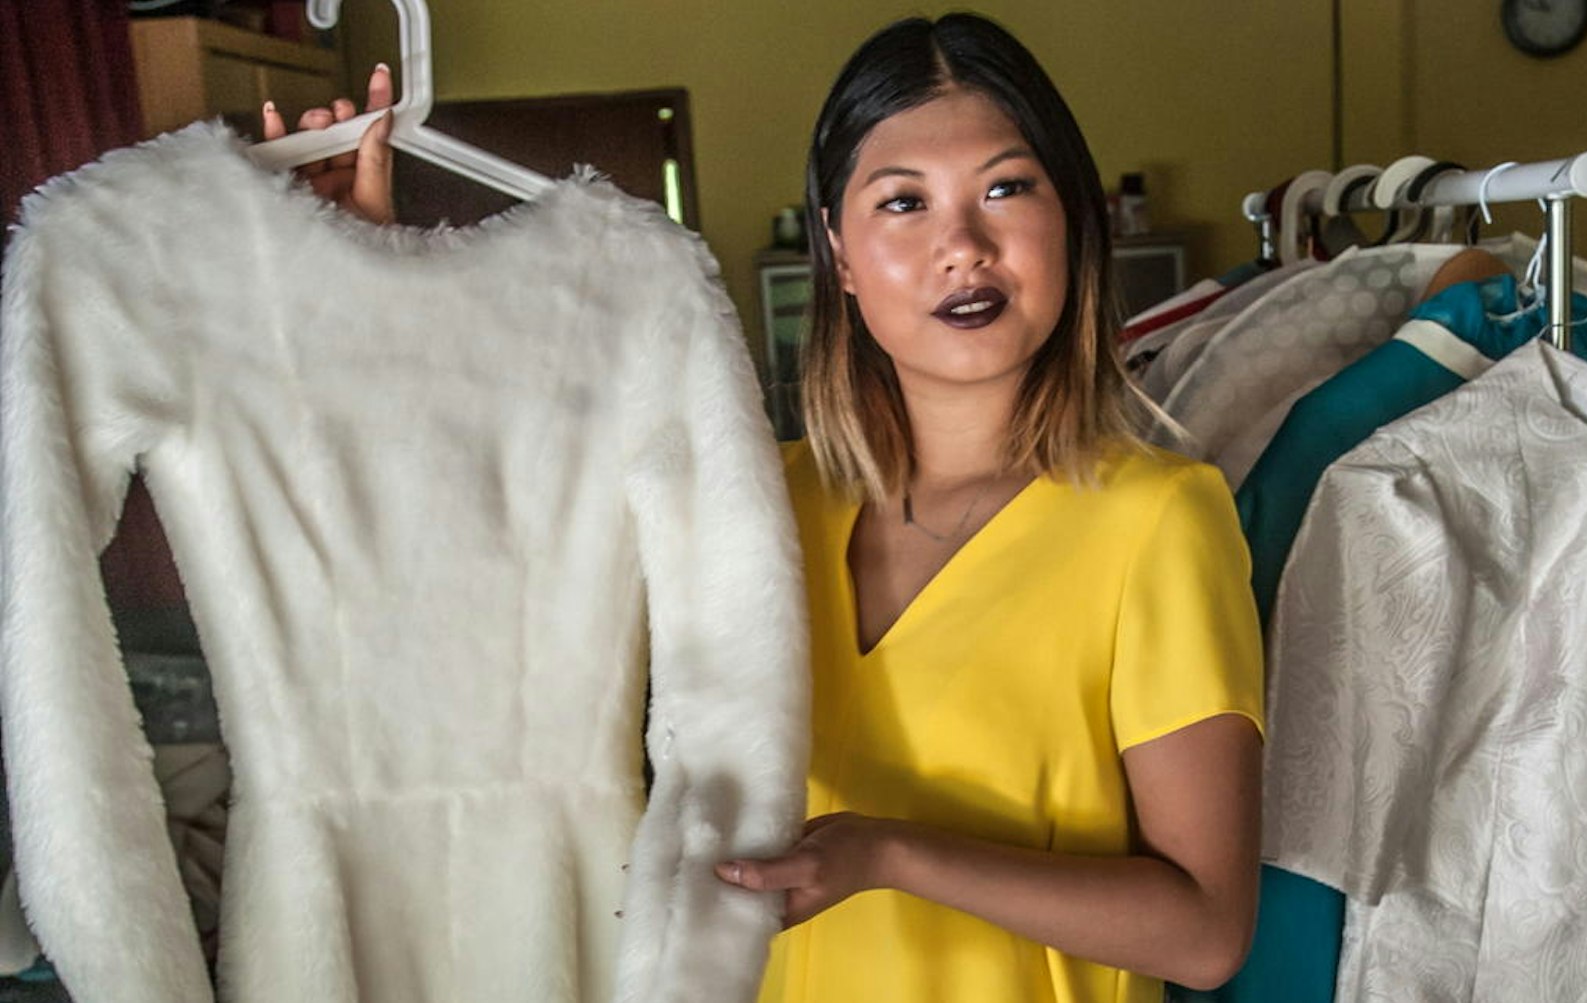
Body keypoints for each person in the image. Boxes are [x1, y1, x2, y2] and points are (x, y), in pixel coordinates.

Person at [270, 14, 1262, 1002]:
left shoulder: (1157, 519)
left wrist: (889, 854)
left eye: (1005, 188)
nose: (962, 246)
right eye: (903, 202)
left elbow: (1205, 930)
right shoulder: (750, 500)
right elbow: (473, 580)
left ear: (1071, 217)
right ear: (838, 251)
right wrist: (364, 281)